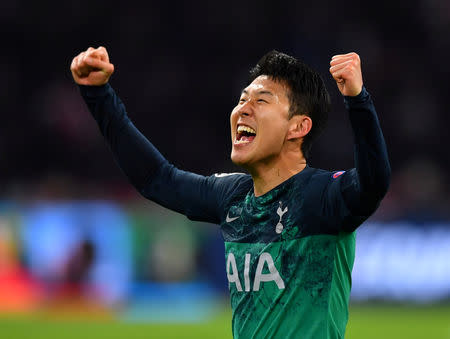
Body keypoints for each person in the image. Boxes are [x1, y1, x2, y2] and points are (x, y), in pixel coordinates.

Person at [70, 46, 390, 339]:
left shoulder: (322, 197)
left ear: (298, 127)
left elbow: (372, 183)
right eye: (241, 100)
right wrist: (99, 95)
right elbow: (157, 179)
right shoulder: (234, 197)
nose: (243, 110)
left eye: (261, 100)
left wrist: (358, 100)